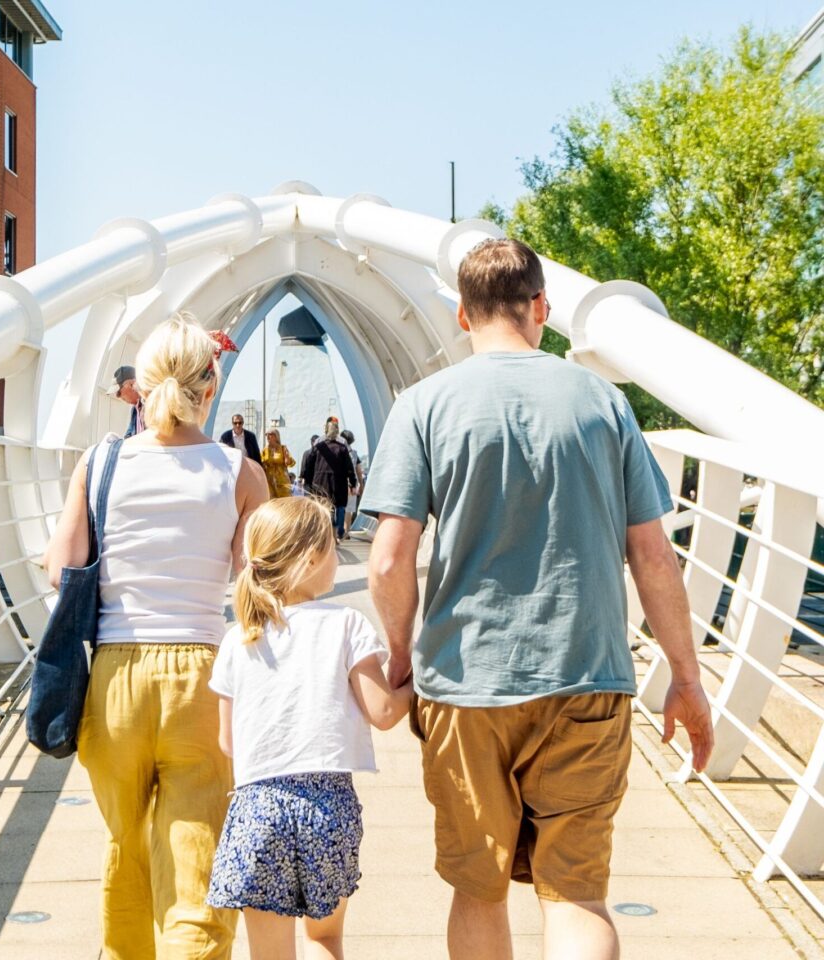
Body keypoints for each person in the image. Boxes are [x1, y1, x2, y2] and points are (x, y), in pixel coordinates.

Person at [361, 238, 714, 960]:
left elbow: (391, 557)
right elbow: (652, 554)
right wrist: (685, 677)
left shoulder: (424, 405)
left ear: (463, 314)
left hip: (465, 685)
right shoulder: (603, 402)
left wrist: (402, 656)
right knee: (576, 893)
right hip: (587, 676)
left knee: (478, 889)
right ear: (542, 309)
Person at [43, 312, 269, 959]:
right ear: (210, 383)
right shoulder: (238, 473)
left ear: (140, 385)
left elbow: (61, 568)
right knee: (194, 867)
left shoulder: (102, 461)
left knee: (128, 851)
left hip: (113, 680)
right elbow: (259, 590)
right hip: (201, 674)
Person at [205, 497, 412, 960]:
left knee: (269, 954)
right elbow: (382, 712)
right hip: (326, 805)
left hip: (257, 810)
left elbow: (227, 742)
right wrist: (416, 686)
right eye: (333, 548)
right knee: (323, 939)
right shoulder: (346, 624)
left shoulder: (238, 638)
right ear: (311, 558)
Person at [301, 420, 356, 540]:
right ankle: (338, 532)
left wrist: (307, 480)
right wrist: (353, 483)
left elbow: (309, 463)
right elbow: (349, 467)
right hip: (338, 483)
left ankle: (325, 532)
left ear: (326, 431)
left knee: (324, 508)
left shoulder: (318, 447)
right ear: (337, 432)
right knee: (339, 507)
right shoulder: (342, 448)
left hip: (320, 482)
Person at [339, 429, 364, 539]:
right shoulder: (354, 454)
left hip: (339, 483)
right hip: (352, 484)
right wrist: (361, 485)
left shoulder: (338, 451)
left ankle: (338, 530)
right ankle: (346, 531)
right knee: (349, 509)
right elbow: (359, 471)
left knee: (339, 507)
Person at [260, 427, 296, 498]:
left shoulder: (283, 448)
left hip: (281, 479)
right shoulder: (265, 450)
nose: (268, 436)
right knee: (271, 501)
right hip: (269, 480)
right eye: (266, 435)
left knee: (284, 500)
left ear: (276, 436)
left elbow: (291, 463)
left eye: (270, 434)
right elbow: (261, 463)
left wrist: (287, 459)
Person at [113, 365, 145, 437]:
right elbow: (128, 435)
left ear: (132, 384)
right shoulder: (134, 410)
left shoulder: (152, 404)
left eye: (118, 392)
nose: (117, 396)